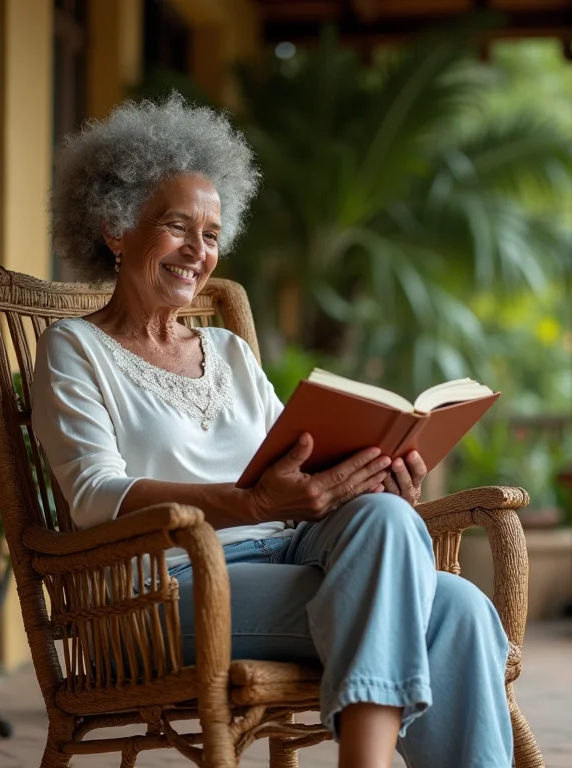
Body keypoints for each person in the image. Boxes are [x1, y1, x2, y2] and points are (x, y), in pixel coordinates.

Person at [32, 95, 513, 768]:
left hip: (289, 553)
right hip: (159, 589)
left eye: (210, 234)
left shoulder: (227, 351)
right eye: (177, 227)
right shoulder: (74, 350)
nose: (197, 252)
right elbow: (93, 494)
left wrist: (374, 475)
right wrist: (252, 504)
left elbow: (292, 465)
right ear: (117, 228)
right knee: (456, 613)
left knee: (396, 530)